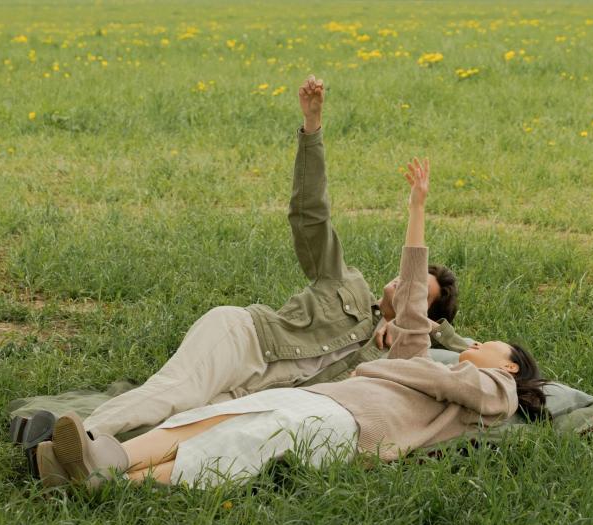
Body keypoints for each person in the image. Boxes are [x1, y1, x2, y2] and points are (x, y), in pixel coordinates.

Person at [36, 156, 547, 489]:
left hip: (346, 420)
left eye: (488, 346)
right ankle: (100, 456)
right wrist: (417, 207)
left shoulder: (488, 389)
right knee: (197, 419)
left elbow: (440, 337)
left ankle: (105, 479)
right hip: (292, 377)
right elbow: (408, 292)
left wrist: (443, 341)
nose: (476, 344)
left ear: (507, 368)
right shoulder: (391, 334)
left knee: (229, 441)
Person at [60, 76, 470, 444]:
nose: (404, 282)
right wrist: (312, 129)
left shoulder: (390, 361)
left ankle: (92, 461)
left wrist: (407, 328)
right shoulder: (348, 283)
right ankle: (83, 437)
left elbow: (463, 354)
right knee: (176, 392)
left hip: (261, 392)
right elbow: (310, 216)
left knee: (186, 423)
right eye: (407, 276)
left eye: (418, 290)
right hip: (244, 341)